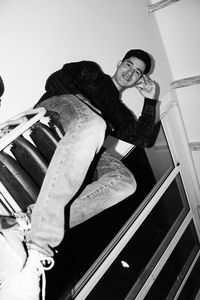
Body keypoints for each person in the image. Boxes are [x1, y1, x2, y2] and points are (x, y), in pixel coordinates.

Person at [0, 49, 159, 299]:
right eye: (129, 64)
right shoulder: (92, 71)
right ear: (119, 63)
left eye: (137, 72)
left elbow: (144, 138)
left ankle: (29, 221)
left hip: (89, 132)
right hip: (60, 108)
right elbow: (54, 80)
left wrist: (150, 100)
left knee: (125, 183)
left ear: (138, 80)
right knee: (95, 124)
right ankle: (40, 245)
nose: (130, 72)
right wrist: (85, 103)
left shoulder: (119, 112)